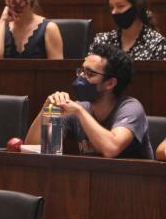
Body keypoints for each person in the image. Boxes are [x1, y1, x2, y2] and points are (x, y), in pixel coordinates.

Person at [25, 43, 153, 159]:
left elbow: (111, 149)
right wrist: (47, 109)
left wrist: (80, 112)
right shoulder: (79, 108)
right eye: (81, 71)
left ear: (110, 83)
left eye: (90, 74)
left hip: (132, 182)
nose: (81, 78)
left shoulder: (131, 108)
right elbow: (35, 147)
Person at [90, 0, 166, 60]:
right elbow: (87, 70)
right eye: (112, 7)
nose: (114, 12)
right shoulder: (102, 41)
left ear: (137, 7)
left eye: (120, 6)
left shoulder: (158, 44)